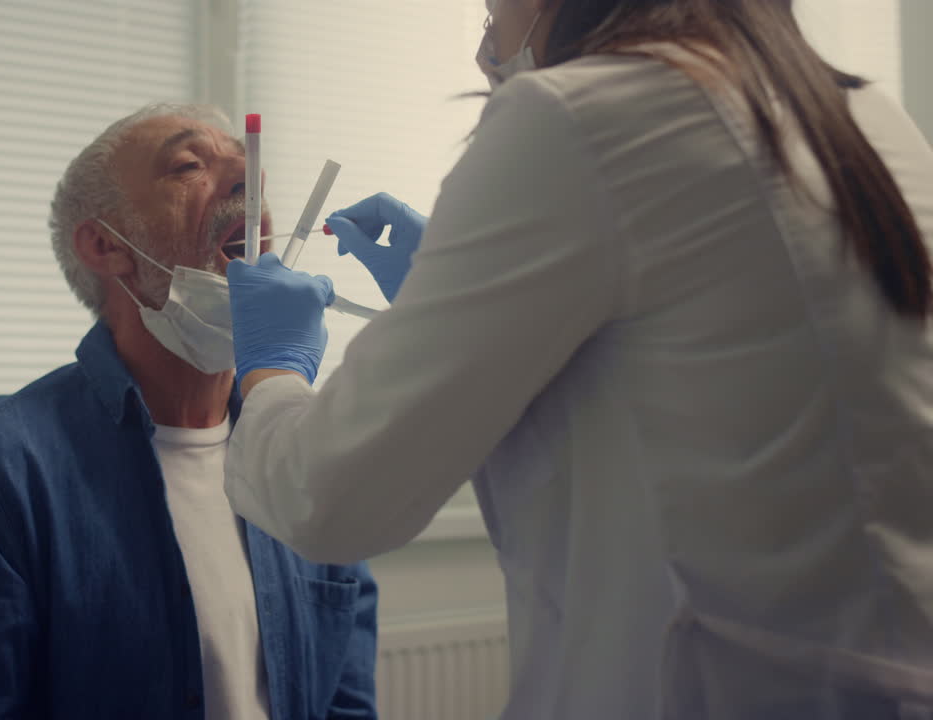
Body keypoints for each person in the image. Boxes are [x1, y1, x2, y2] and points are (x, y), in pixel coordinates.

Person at [222, 0, 933, 718]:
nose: (486, 32)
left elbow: (329, 499)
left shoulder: (584, 116)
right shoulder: (871, 117)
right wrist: (463, 309)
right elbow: (697, 389)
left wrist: (272, 366)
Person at [0, 103, 379, 720]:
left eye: (243, 156)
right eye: (188, 164)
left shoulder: (308, 452)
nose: (245, 175)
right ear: (104, 244)